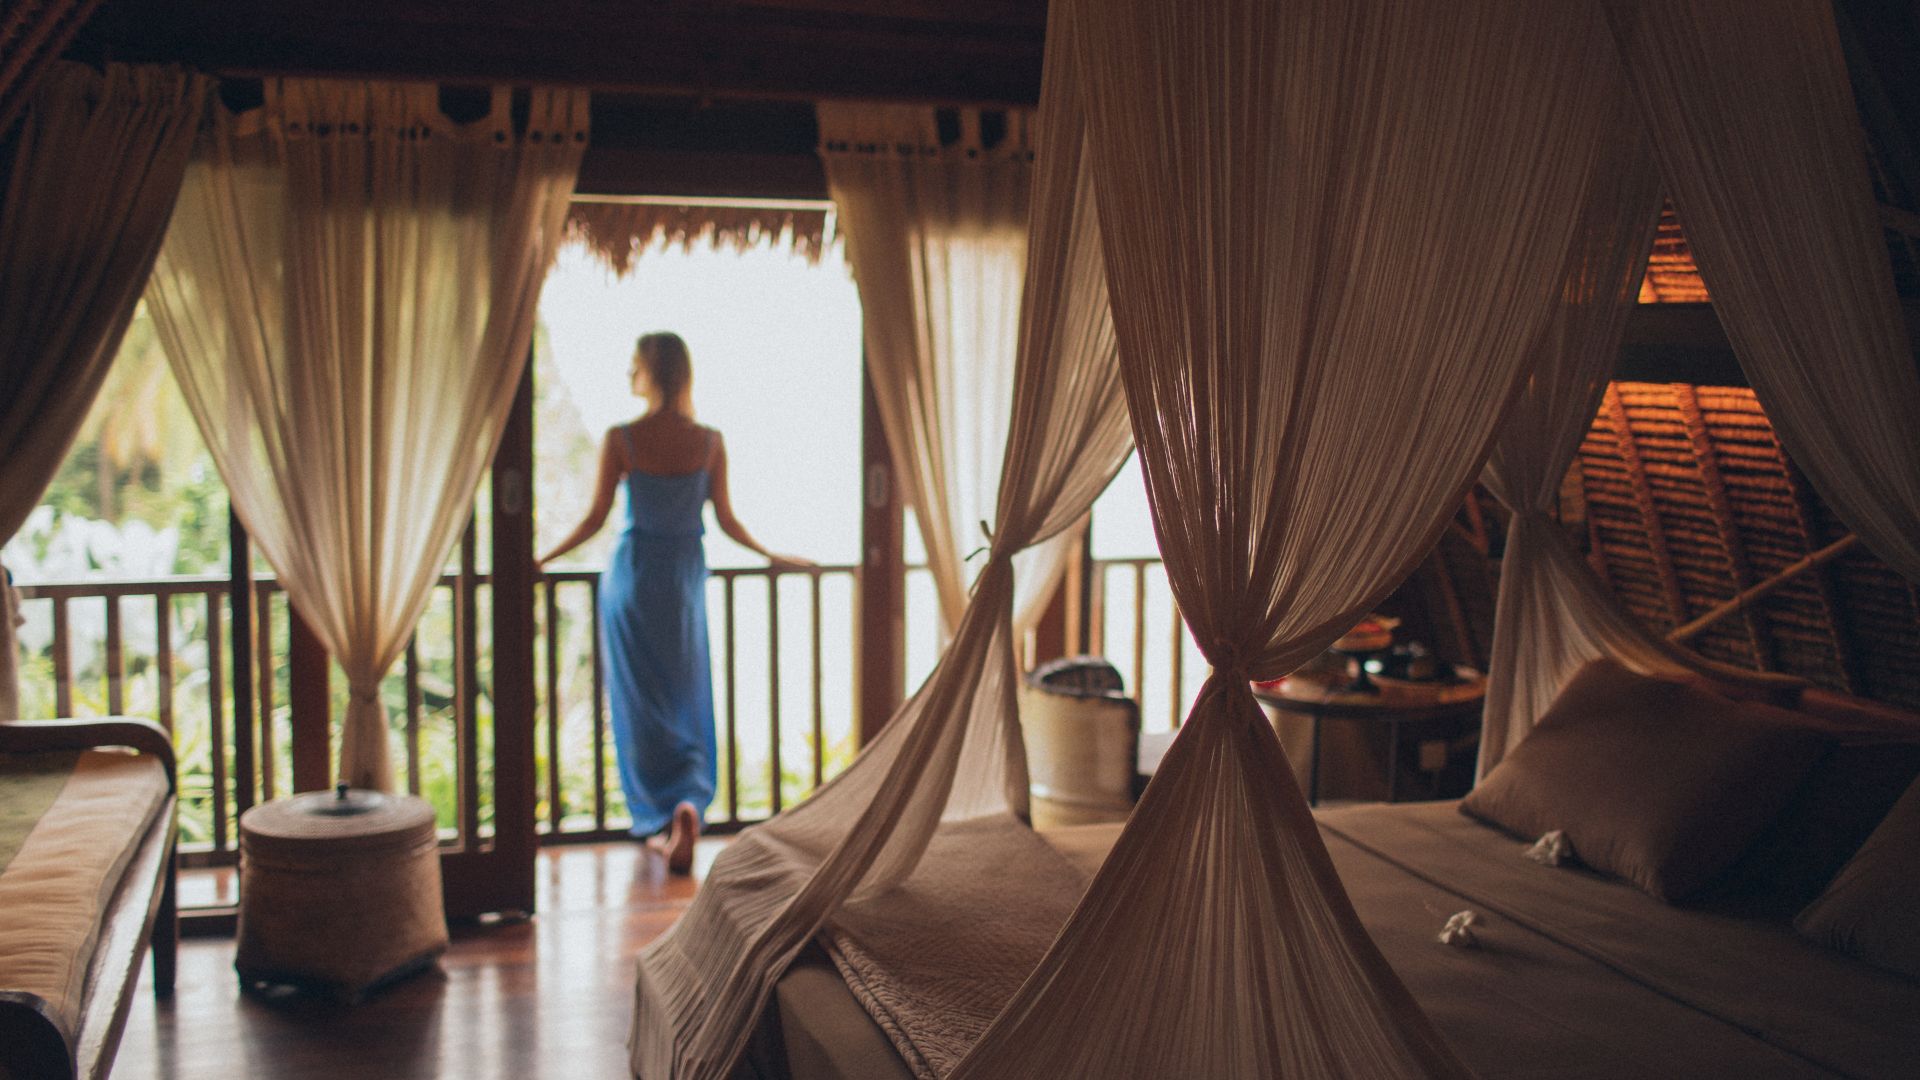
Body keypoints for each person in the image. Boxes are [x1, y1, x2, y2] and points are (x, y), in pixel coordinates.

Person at [538, 332, 810, 873]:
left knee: (641, 706)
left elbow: (594, 520)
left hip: (634, 578)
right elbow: (727, 522)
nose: (628, 374)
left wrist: (541, 560)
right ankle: (688, 805)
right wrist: (774, 556)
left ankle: (662, 820)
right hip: (683, 581)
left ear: (653, 372)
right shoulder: (708, 441)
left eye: (634, 364)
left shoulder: (623, 438)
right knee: (687, 697)